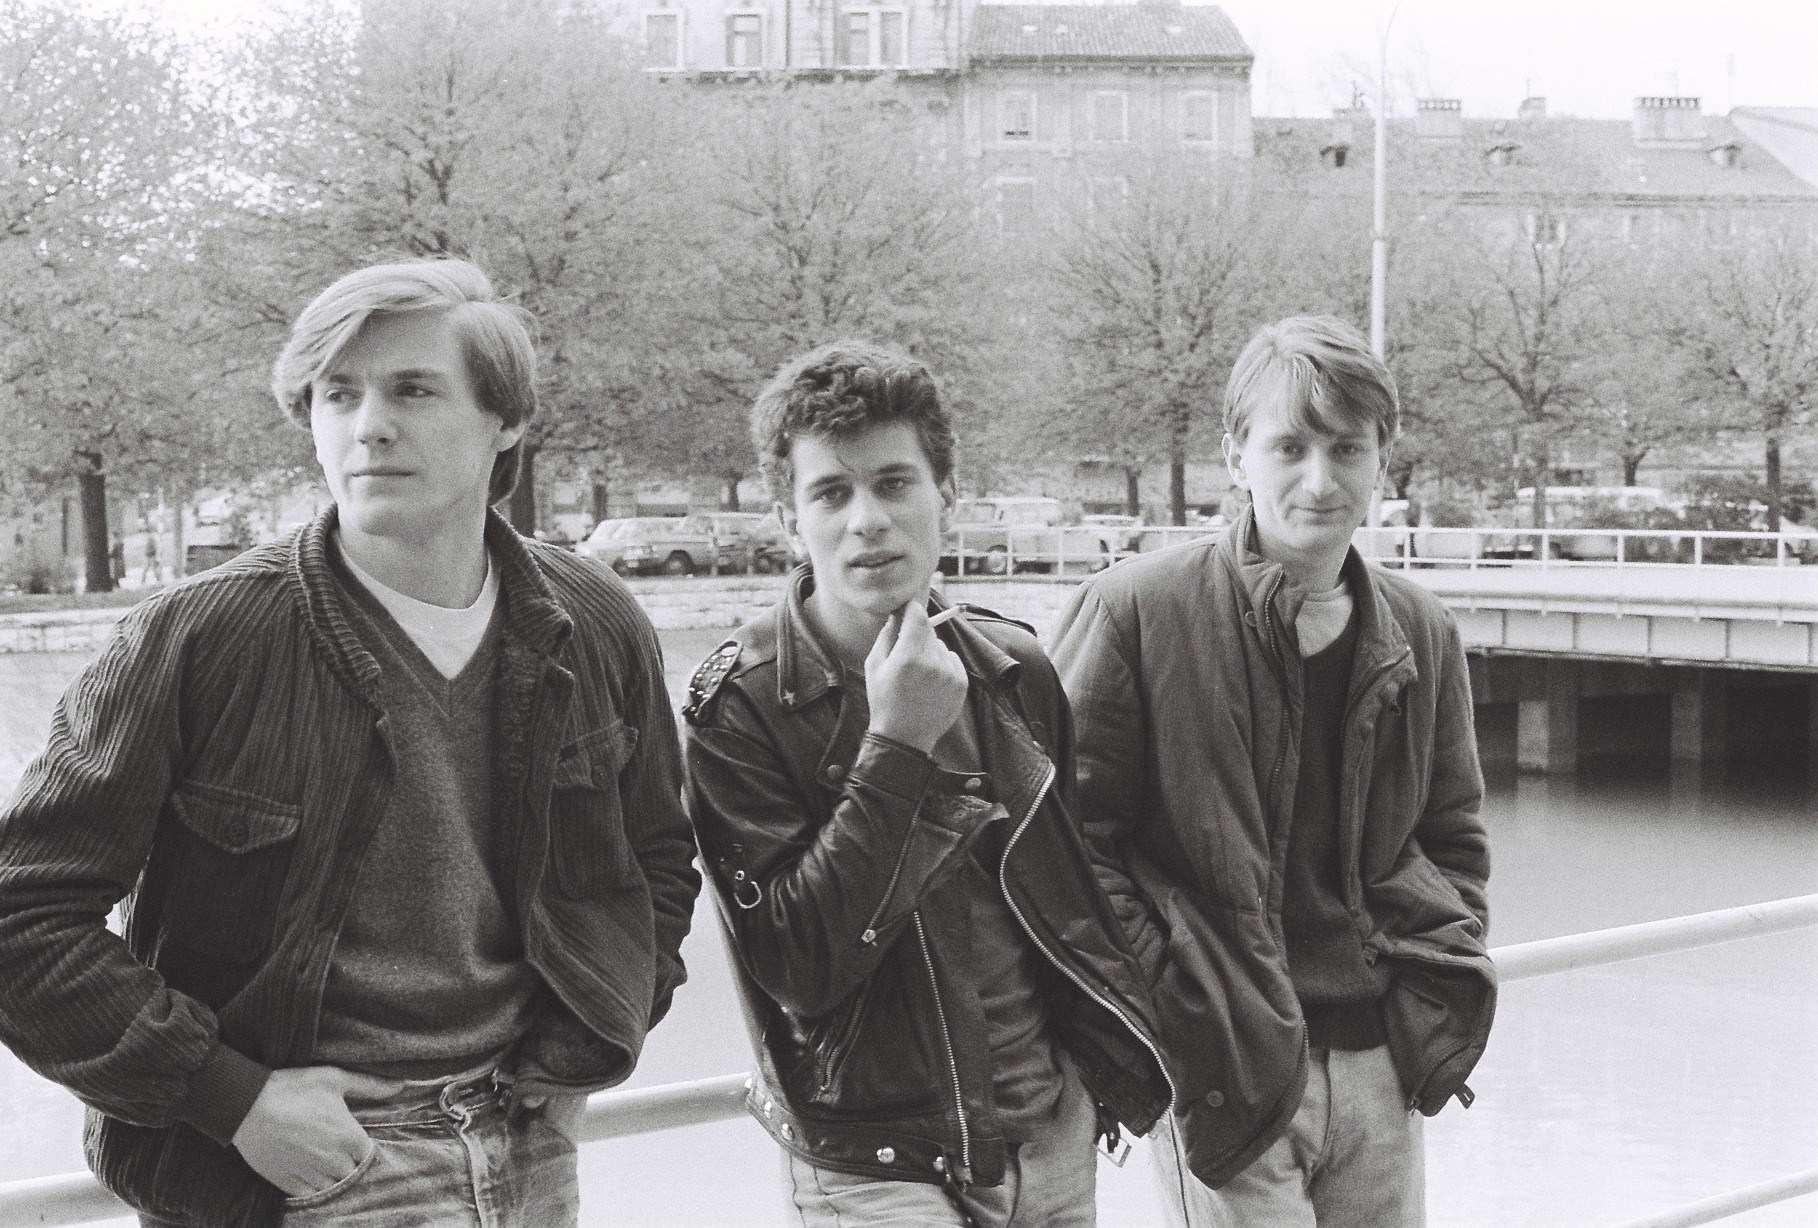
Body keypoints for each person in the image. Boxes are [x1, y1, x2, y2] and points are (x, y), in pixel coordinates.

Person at [0, 258, 700, 1228]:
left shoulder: (594, 620)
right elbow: (23, 916)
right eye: (338, 394)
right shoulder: (201, 637)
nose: (368, 424)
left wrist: (593, 1031)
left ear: (506, 421)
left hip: (527, 1140)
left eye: (413, 390)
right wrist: (233, 1099)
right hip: (288, 1173)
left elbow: (655, 860)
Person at [682, 340, 1172, 1227]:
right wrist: (897, 745)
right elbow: (800, 967)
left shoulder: (1013, 667)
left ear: (946, 494)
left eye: (894, 483)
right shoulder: (741, 708)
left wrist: (1087, 1077)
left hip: (1050, 1136)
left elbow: (1074, 885)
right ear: (789, 521)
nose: (867, 520)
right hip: (875, 1164)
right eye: (831, 493)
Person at [1050, 316, 1495, 1227]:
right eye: (1289, 446)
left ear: (1382, 459)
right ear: (1236, 455)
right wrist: (1176, 1001)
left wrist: (1427, 984)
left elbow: (1454, 837)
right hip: (1225, 1071)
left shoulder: (1422, 630)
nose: (1320, 480)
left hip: (1382, 1063)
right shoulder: (1138, 612)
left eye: (1347, 449)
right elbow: (1065, 844)